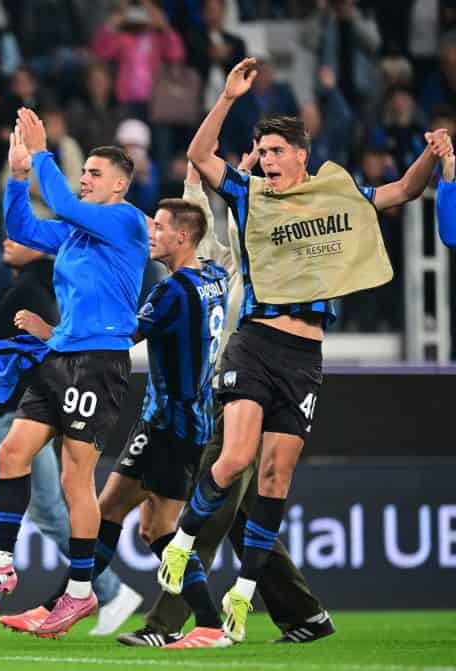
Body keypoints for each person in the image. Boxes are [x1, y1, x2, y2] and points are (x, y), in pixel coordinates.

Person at [161, 57, 450, 647]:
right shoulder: (248, 194)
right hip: (256, 342)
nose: (264, 160)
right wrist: (226, 97)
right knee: (236, 457)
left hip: (306, 358)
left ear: (300, 154)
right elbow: (198, 154)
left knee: (276, 475)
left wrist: (434, 152)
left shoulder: (333, 197)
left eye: (273, 151)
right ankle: (183, 542)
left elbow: (403, 189)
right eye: (260, 151)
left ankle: (243, 594)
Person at [0, 108, 149, 639]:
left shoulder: (125, 222)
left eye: (94, 175)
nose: (84, 181)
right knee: (10, 453)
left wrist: (41, 153)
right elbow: (24, 227)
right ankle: (0, 562)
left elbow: (55, 200)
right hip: (59, 358)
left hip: (100, 361)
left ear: (120, 186)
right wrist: (17, 178)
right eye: (83, 175)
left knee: (73, 478)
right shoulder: (77, 236)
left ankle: (80, 594)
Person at [120, 159, 336, 649]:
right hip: (224, 393)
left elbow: (197, 231)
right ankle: (307, 614)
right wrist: (202, 177)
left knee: (212, 513)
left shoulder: (251, 276)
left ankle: (169, 622)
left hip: (243, 392)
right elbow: (195, 227)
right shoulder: (223, 271)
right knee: (236, 515)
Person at [24, 197, 230, 645]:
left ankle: (209, 623)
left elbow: (118, 338)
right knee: (111, 508)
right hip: (170, 419)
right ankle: (65, 602)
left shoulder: (171, 292)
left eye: (159, 227)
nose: (150, 234)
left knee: (158, 529)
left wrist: (50, 333)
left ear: (182, 236)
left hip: (173, 423)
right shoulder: (214, 276)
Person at [0, 239, 139, 640]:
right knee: (11, 463)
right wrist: (18, 179)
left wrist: (47, 332)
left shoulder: (55, 278)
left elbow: (114, 330)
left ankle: (92, 589)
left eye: (93, 171)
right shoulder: (45, 277)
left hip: (86, 373)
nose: (7, 240)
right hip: (43, 385)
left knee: (67, 491)